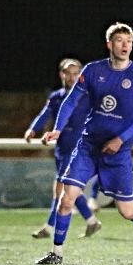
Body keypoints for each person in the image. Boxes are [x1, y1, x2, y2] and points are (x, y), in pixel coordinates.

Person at [35, 22, 133, 265]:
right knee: (66, 198)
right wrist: (57, 129)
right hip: (88, 145)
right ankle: (56, 254)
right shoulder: (92, 71)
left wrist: (121, 139)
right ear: (110, 44)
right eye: (120, 41)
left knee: (126, 211)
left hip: (118, 153)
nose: (125, 46)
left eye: (129, 42)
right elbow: (70, 101)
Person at [25, 58, 101, 239]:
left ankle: (48, 228)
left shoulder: (88, 95)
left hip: (79, 148)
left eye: (76, 73)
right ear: (62, 75)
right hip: (62, 148)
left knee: (62, 189)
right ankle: (91, 221)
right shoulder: (56, 97)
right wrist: (33, 129)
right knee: (68, 190)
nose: (72, 77)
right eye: (68, 73)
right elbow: (46, 115)